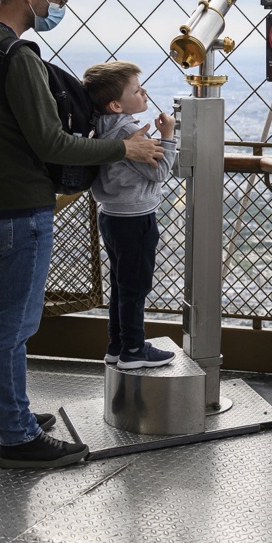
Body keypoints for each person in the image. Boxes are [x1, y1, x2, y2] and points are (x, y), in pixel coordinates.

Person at [0, 0, 164, 469]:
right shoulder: (17, 56)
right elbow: (52, 143)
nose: (59, 8)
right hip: (19, 210)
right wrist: (125, 147)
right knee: (13, 327)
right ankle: (19, 438)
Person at [82, 61, 178, 370]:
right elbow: (160, 171)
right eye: (136, 89)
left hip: (110, 216)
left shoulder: (98, 127)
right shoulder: (129, 132)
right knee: (135, 287)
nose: (144, 91)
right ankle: (134, 350)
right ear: (115, 104)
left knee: (121, 285)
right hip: (136, 218)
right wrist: (168, 135)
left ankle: (117, 344)